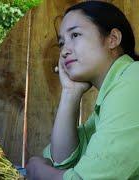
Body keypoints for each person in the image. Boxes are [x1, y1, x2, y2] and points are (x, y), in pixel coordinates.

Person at [26, 1, 139, 179]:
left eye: (75, 35)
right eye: (62, 43)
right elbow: (62, 161)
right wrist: (70, 93)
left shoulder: (134, 79)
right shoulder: (113, 94)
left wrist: (37, 170)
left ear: (113, 39)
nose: (64, 51)